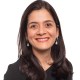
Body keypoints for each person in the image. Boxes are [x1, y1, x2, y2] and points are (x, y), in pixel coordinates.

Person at [4, 0, 73, 80]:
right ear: (26, 34)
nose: (41, 32)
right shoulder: (14, 72)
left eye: (48, 25)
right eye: (33, 26)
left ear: (57, 32)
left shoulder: (65, 67)